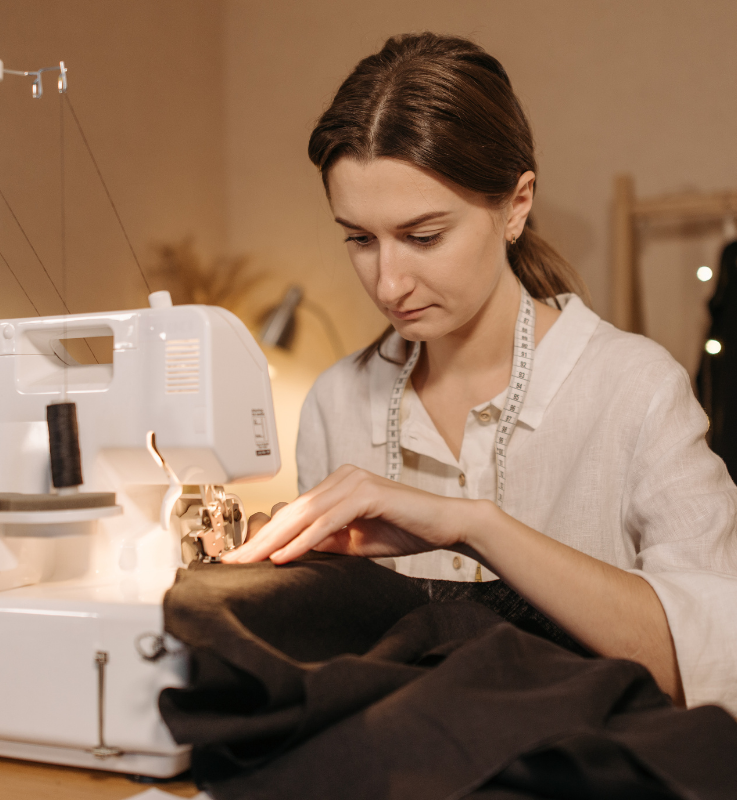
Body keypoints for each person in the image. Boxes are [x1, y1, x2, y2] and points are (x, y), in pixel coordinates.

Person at [224, 32, 737, 714]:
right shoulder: (336, 404)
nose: (389, 281)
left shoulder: (636, 390)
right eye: (359, 238)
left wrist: (474, 527)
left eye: (424, 236)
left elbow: (709, 663)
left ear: (516, 205)